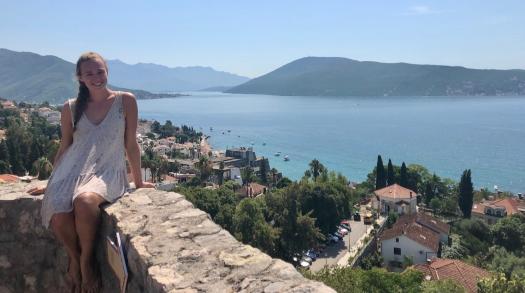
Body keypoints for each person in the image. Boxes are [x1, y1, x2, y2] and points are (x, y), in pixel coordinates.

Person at [27, 52, 154, 293]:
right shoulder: (70, 108)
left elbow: (131, 145)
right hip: (72, 171)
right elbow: (65, 148)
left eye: (100, 71)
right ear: (80, 78)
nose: (96, 77)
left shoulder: (125, 101)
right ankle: (75, 259)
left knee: (84, 201)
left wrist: (138, 181)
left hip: (108, 172)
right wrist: (53, 182)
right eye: (89, 73)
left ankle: (86, 264)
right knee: (58, 211)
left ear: (107, 72)